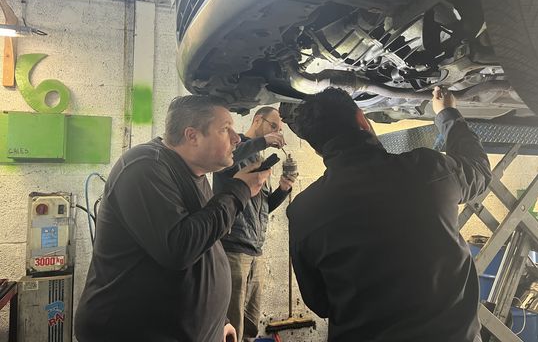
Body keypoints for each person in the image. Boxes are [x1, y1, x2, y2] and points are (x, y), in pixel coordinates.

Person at [287, 87, 492, 342]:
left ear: (317, 149)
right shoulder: (428, 169)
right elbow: (479, 171)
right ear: (362, 120)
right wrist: (447, 113)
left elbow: (320, 303)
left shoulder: (303, 210)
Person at [75, 96, 271, 342]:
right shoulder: (144, 167)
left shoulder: (194, 175)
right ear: (192, 136)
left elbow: (205, 242)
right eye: (225, 129)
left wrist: (221, 320)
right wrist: (239, 191)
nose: (237, 138)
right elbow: (178, 248)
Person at [213, 107, 297, 341]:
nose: (277, 133)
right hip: (232, 249)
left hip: (255, 251)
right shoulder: (234, 150)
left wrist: (282, 189)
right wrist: (263, 141)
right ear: (258, 119)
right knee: (232, 322)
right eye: (273, 126)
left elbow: (262, 208)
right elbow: (227, 161)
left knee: (250, 322)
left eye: (279, 130)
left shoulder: (258, 158)